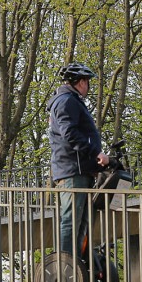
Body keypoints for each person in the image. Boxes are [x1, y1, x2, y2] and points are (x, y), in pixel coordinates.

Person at [47, 62, 110, 257]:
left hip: (80, 169)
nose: (88, 86)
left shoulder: (70, 100)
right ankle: (64, 263)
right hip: (72, 170)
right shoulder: (66, 101)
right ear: (81, 82)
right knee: (71, 219)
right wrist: (95, 153)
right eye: (88, 82)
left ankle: (75, 262)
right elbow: (70, 133)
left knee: (82, 220)